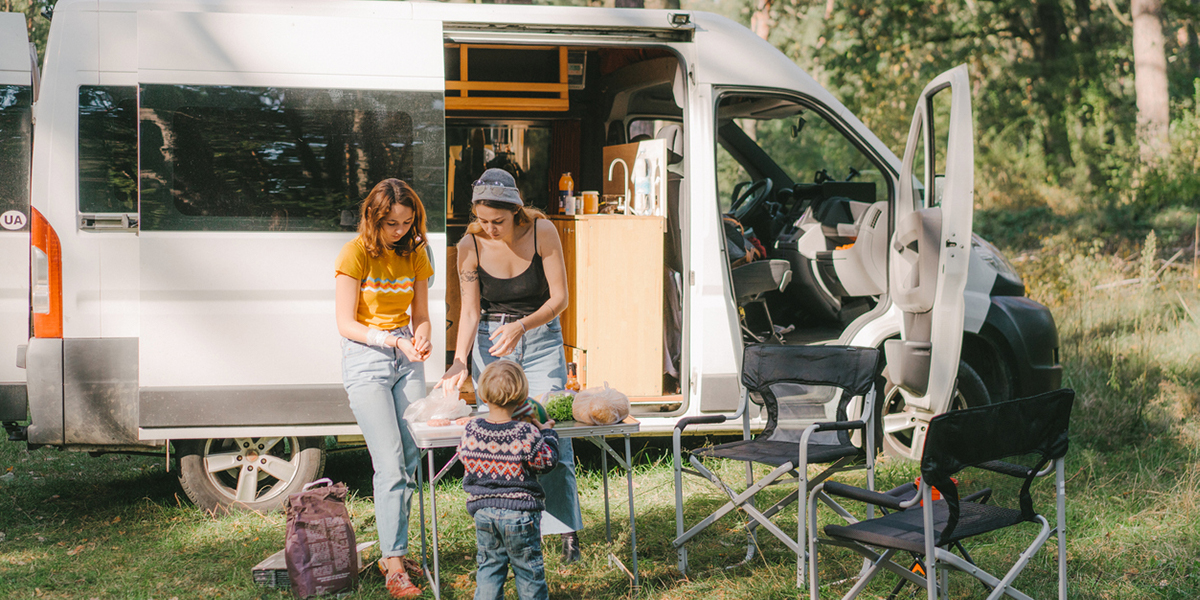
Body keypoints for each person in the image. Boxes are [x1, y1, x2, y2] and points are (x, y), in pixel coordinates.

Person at [437, 167, 584, 563]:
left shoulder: (542, 231)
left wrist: (522, 325)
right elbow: (468, 312)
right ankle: (509, 528)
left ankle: (566, 531)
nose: (490, 229)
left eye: (497, 221)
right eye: (482, 220)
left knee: (551, 431)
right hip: (492, 342)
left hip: (538, 337)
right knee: (501, 439)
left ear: (517, 212)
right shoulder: (469, 245)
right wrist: (458, 361)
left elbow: (560, 299)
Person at [334, 179, 431, 598]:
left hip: (406, 355)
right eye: (391, 223)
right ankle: (394, 563)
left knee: (409, 458)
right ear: (373, 219)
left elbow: (422, 314)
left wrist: (423, 336)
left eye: (408, 223)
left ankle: (394, 549)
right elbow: (345, 323)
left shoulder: (416, 252)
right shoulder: (354, 253)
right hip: (367, 356)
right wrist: (392, 340)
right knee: (389, 461)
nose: (400, 231)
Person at [458, 361, 559, 600]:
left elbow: (464, 456)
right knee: (528, 571)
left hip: (483, 511)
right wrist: (547, 433)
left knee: (490, 568)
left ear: (483, 393)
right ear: (522, 396)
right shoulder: (524, 433)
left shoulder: (471, 429)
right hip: (520, 514)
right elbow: (546, 462)